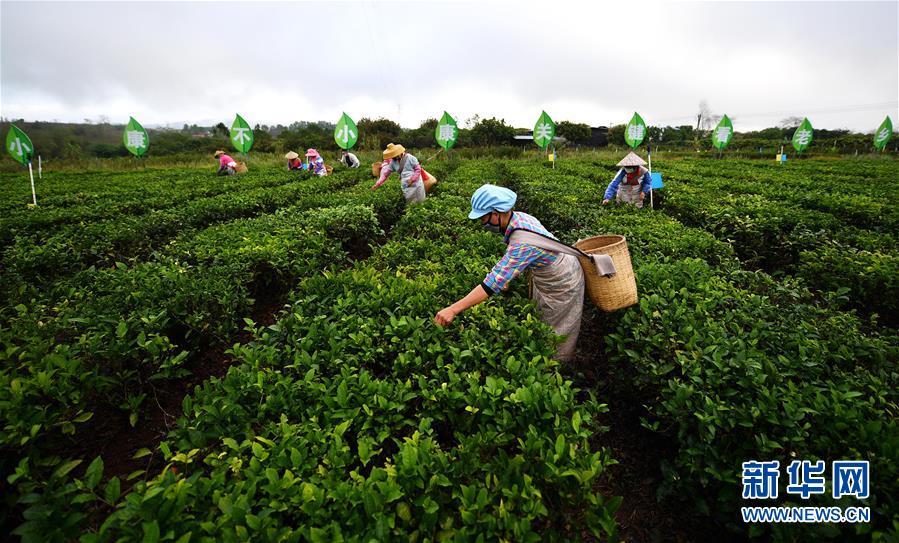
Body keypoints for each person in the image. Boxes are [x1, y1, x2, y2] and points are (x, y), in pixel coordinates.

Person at [434, 185, 585, 361]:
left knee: (557, 329)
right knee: (544, 318)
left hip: (561, 280)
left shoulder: (522, 243)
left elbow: (491, 284)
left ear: (496, 213)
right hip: (553, 269)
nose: (483, 223)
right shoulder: (520, 218)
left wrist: (453, 309)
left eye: (483, 218)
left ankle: (557, 368)